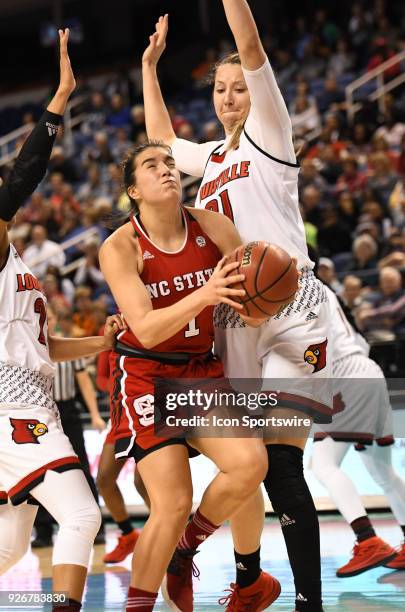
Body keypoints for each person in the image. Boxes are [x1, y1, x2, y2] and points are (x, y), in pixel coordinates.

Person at [142, 3, 333, 611]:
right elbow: (163, 143)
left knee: (280, 464)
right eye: (219, 91)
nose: (229, 98)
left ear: (253, 92)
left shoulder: (269, 134)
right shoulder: (214, 159)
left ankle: (308, 602)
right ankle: (246, 576)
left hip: (291, 312)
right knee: (248, 463)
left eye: (236, 88)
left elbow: (248, 43)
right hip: (234, 320)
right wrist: (149, 68)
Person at [99, 141, 274, 612]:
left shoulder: (213, 226)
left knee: (250, 464)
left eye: (171, 162)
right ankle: (139, 604)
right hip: (146, 374)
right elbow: (150, 330)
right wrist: (206, 293)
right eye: (152, 166)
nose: (167, 170)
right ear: (134, 190)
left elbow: (250, 308)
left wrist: (263, 296)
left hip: (201, 370)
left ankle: (185, 550)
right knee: (173, 501)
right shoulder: (120, 247)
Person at [0, 30, 126, 612]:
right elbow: (22, 178)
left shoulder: (15, 260)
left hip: (29, 397)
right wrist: (59, 102)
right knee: (80, 514)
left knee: (8, 547)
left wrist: (99, 341)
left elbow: (44, 347)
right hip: (12, 404)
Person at [311, 285, 405, 575]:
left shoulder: (295, 287)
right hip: (367, 368)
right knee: (382, 471)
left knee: (322, 464)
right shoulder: (325, 291)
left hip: (342, 374)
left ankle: (367, 540)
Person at [32, 308, 107, 548]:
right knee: (38, 471)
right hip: (38, 412)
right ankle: (43, 531)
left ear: (54, 320)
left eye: (51, 317)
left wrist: (95, 414)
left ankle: (98, 528)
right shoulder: (27, 344)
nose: (48, 321)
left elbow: (84, 382)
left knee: (82, 467)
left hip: (67, 411)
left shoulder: (69, 348)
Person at [95, 342, 144, 564]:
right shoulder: (113, 330)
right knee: (104, 478)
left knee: (143, 482)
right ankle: (128, 534)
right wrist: (122, 386)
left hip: (148, 407)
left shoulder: (154, 323)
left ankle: (170, 538)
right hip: (121, 411)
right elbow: (101, 378)